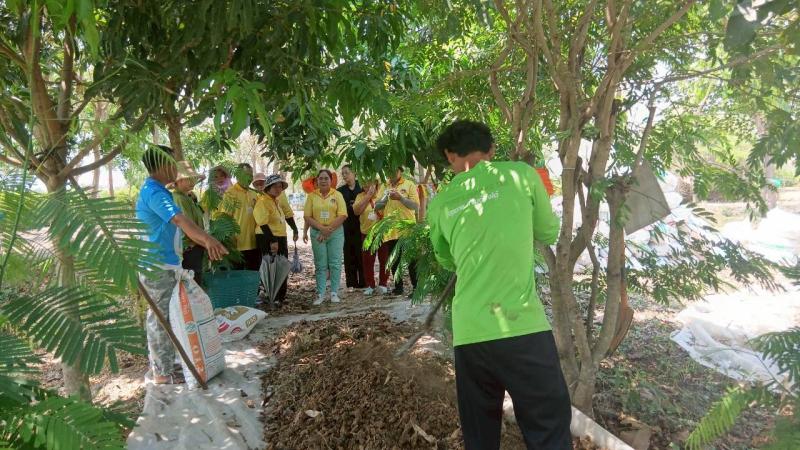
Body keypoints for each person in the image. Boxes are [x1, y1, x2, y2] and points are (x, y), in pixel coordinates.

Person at [428, 121, 570, 449]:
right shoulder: (522, 174)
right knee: (548, 429)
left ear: (450, 156)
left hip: (470, 335)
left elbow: (447, 259)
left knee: (480, 437)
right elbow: (549, 232)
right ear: (492, 150)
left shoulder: (441, 203)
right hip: (524, 330)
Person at [136, 145, 228, 385]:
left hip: (167, 264)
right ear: (162, 164)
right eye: (172, 163)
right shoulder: (154, 192)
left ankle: (166, 366)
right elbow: (179, 219)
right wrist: (207, 239)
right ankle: (162, 373)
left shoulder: (159, 191)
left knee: (168, 316)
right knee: (160, 318)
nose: (175, 169)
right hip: (157, 266)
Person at [303, 169, 347, 305]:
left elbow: (343, 215)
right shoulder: (311, 196)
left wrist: (328, 230)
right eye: (320, 178)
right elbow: (307, 216)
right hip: (317, 233)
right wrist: (322, 229)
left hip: (335, 233)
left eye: (326, 178)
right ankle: (321, 294)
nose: (323, 181)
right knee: (321, 265)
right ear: (317, 181)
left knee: (335, 263)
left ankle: (334, 293)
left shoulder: (337, 194)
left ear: (331, 180)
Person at [254, 174, 299, 307]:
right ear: (268, 187)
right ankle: (273, 297)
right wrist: (273, 241)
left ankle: (280, 296)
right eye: (275, 186)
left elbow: (286, 216)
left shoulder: (276, 201)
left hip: (280, 236)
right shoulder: (262, 201)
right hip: (267, 237)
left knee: (282, 266)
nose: (278, 189)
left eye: (280, 186)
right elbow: (262, 223)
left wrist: (295, 229)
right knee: (272, 268)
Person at [375, 166, 419, 296]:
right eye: (388, 170)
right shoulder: (384, 185)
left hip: (407, 228)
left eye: (394, 169)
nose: (391, 173)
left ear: (400, 171)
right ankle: (398, 288)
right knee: (394, 260)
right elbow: (376, 206)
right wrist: (385, 198)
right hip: (391, 230)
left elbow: (416, 206)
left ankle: (416, 288)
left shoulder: (409, 184)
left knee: (411, 260)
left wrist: (401, 198)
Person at [169, 161, 207, 285]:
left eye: (193, 179)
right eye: (188, 179)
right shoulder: (179, 198)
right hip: (190, 247)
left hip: (197, 244)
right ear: (178, 181)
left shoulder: (188, 197)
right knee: (192, 284)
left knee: (196, 282)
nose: (192, 182)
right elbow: (187, 225)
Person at [219, 163, 260, 270]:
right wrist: (230, 239)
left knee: (253, 275)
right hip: (237, 245)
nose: (250, 178)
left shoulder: (253, 193)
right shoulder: (230, 193)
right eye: (246, 175)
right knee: (238, 277)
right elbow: (225, 218)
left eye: (251, 175)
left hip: (255, 243)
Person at [353, 179, 389, 296]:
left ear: (375, 183)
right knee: (368, 260)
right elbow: (356, 211)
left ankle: (383, 283)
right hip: (366, 233)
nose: (366, 186)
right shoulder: (360, 196)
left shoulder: (382, 193)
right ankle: (370, 285)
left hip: (381, 233)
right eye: (363, 184)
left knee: (384, 259)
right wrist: (368, 196)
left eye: (369, 183)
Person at [337, 165, 365, 291]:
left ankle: (364, 282)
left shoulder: (363, 187)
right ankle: (351, 283)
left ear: (354, 173)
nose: (345, 176)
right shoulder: (340, 191)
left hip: (362, 225)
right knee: (349, 254)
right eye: (343, 174)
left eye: (347, 173)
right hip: (347, 227)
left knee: (362, 254)